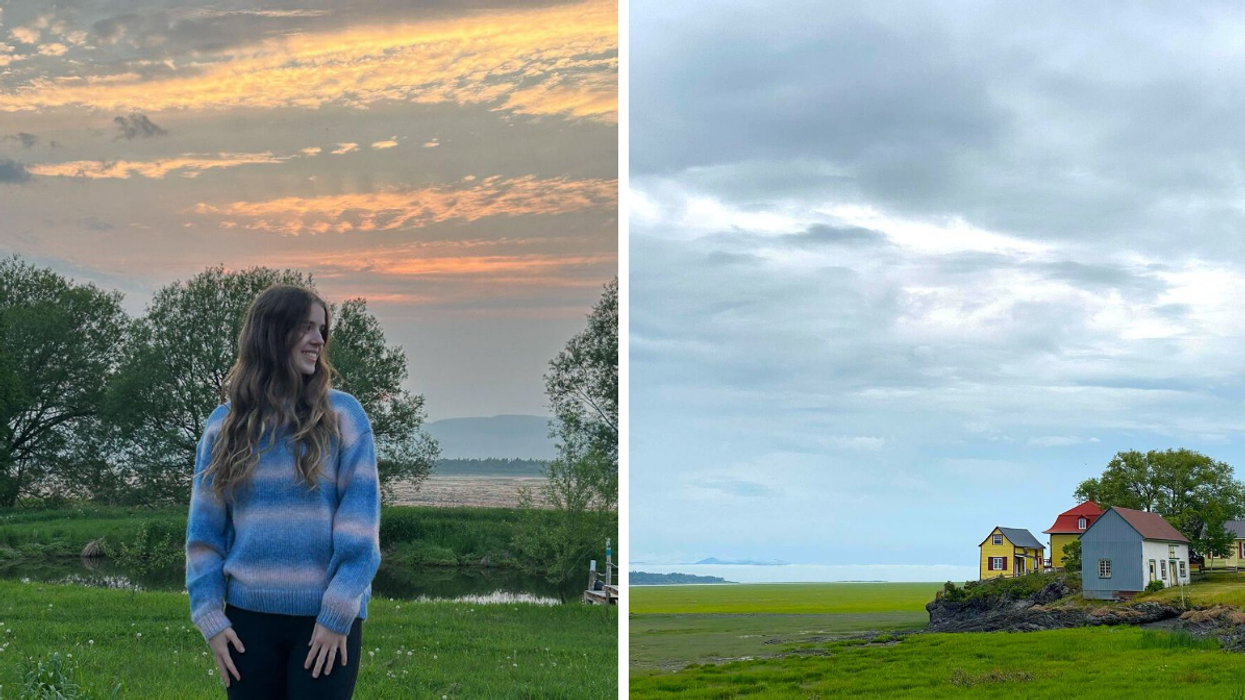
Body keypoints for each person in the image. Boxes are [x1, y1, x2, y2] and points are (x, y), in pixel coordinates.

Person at [185, 284, 381, 699]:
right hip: (246, 624)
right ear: (271, 333)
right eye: (306, 327)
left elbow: (360, 528)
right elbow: (204, 534)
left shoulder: (344, 415)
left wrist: (337, 612)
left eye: (322, 330)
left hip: (326, 623)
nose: (318, 340)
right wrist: (209, 617)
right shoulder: (224, 425)